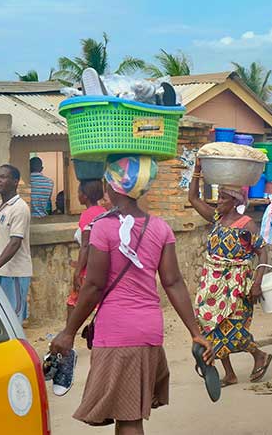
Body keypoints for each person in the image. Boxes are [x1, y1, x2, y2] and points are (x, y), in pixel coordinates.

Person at [49, 156, 212, 434]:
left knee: (129, 420)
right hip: (148, 330)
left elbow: (95, 285)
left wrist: (68, 332)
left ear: (109, 186)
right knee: (129, 415)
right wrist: (195, 331)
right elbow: (173, 282)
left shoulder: (103, 226)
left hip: (117, 333)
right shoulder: (160, 227)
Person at [188, 161, 272, 387]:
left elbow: (263, 253)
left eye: (223, 198)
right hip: (212, 282)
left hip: (236, 283)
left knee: (233, 327)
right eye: (219, 196)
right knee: (210, 324)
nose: (218, 201)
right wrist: (197, 170)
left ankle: (259, 355)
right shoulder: (216, 218)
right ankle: (230, 373)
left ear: (235, 201)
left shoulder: (247, 225)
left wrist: (257, 282)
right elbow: (193, 199)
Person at [0, 164, 32, 324]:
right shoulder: (2, 205)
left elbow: (15, 243)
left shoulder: (19, 208)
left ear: (15, 182)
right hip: (1, 271)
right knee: (3, 318)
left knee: (14, 318)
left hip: (14, 273)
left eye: (3, 177)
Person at [66, 179, 107, 319]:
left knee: (73, 302)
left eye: (79, 192)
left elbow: (85, 245)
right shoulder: (104, 211)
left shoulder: (87, 215)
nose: (77, 195)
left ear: (85, 196)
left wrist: (77, 272)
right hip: (103, 265)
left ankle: (68, 332)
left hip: (88, 268)